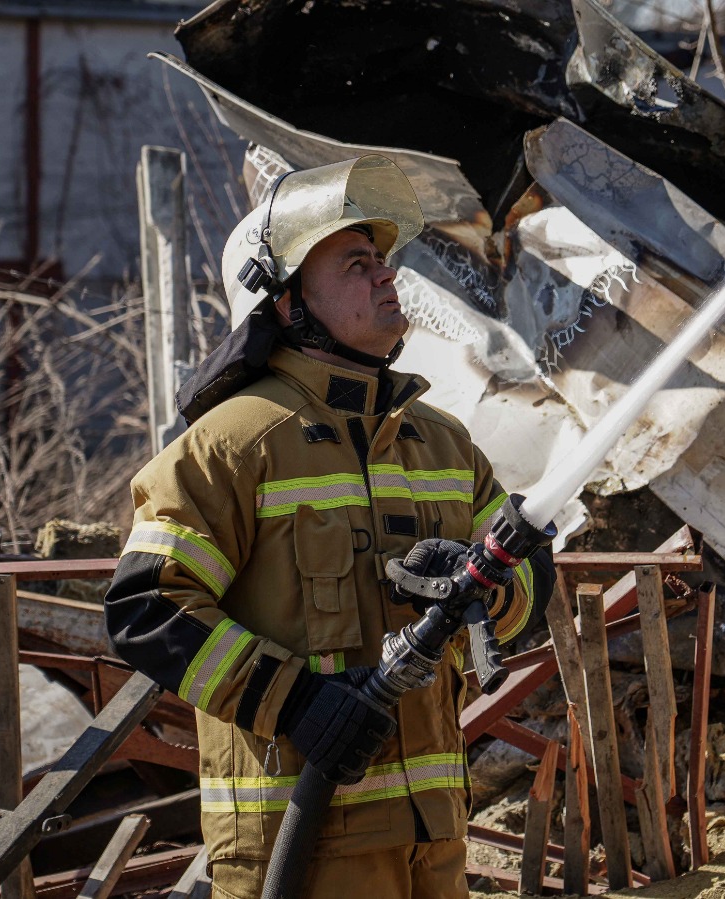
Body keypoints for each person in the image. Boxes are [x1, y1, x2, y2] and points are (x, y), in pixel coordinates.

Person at [105, 154, 554, 899]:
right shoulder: (233, 444)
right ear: (284, 301)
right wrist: (298, 704)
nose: (385, 275)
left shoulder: (442, 441)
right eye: (354, 262)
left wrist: (487, 591)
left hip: (433, 848)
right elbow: (146, 608)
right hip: (300, 851)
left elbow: (532, 584)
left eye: (381, 259)